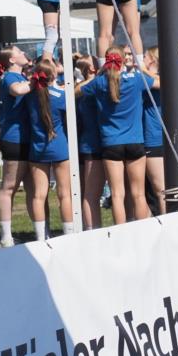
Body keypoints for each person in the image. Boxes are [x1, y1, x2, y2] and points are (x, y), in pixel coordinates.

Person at [76, 47, 159, 224]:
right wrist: (142, 68)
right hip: (135, 142)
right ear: (123, 60)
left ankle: (119, 234)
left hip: (110, 144)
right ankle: (142, 231)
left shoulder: (99, 83)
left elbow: (76, 92)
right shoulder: (136, 79)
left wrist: (98, 74)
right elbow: (158, 83)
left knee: (117, 194)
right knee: (138, 194)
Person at [27, 59, 74, 240]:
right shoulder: (62, 96)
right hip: (60, 147)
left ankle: (41, 236)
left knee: (39, 195)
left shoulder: (29, 96)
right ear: (54, 75)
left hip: (37, 149)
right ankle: (68, 234)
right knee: (64, 194)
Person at [0, 46, 33, 248]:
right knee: (9, 187)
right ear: (11, 60)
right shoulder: (10, 77)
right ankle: (6, 237)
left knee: (33, 188)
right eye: (19, 52)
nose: (24, 53)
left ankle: (40, 231)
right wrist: (37, 80)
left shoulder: (22, 76)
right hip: (14, 138)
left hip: (29, 138)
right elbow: (17, 91)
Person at [75, 57, 105, 229]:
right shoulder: (88, 88)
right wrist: (92, 79)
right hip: (92, 145)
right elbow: (74, 93)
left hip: (110, 143)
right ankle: (92, 230)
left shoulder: (106, 83)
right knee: (91, 194)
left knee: (123, 192)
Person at [141, 46, 166, 214]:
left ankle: (166, 225)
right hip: (152, 138)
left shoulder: (158, 79)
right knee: (149, 191)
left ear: (151, 61)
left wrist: (141, 68)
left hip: (155, 139)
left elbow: (161, 83)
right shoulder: (146, 78)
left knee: (161, 189)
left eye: (143, 57)